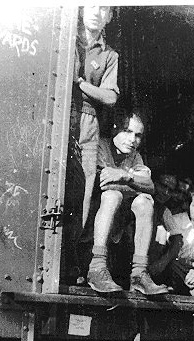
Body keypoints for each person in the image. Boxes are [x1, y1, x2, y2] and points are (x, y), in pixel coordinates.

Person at [86, 111, 168, 295]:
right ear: (115, 129)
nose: (133, 139)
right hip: (92, 222)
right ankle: (97, 267)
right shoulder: (101, 146)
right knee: (112, 195)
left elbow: (150, 186)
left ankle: (139, 272)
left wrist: (125, 175)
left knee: (145, 201)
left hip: (120, 223)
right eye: (127, 131)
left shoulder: (134, 156)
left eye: (138, 135)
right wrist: (134, 183)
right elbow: (104, 184)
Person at [74, 6, 120, 234]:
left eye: (103, 8)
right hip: (66, 115)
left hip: (89, 122)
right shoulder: (67, 40)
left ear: (110, 16)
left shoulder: (110, 55)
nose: (96, 12)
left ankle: (71, 259)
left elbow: (110, 97)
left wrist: (82, 84)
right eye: (91, 5)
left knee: (84, 186)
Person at [150, 188, 194, 296]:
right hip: (170, 267)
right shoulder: (175, 220)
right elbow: (162, 255)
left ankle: (191, 287)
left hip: (190, 269)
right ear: (188, 206)